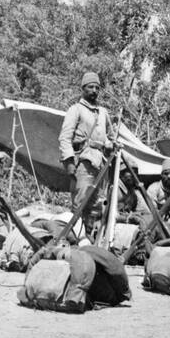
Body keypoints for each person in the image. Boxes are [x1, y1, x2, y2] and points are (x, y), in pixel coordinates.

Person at [58, 72, 113, 226]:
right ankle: (76, 235)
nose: (94, 90)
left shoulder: (103, 112)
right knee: (80, 201)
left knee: (98, 203)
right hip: (83, 161)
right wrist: (69, 161)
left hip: (101, 163)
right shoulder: (75, 110)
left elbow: (110, 135)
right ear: (83, 88)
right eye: (90, 87)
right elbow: (64, 137)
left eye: (97, 87)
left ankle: (91, 237)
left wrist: (110, 143)